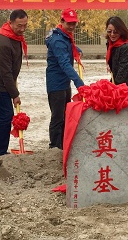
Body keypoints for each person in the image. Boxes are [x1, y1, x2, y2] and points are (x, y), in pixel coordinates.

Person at [0, 9, 28, 157]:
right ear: (10, 23)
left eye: (25, 25)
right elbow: (5, 72)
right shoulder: (4, 42)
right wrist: (14, 94)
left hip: (2, 81)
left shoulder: (14, 37)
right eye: (19, 26)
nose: (22, 29)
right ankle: (0, 152)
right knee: (6, 115)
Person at [45, 8, 84, 149]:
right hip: (56, 84)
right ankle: (55, 146)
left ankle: (63, 145)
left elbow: (68, 48)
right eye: (69, 23)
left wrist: (76, 50)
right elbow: (64, 64)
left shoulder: (64, 36)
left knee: (65, 115)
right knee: (58, 117)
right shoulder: (57, 40)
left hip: (64, 83)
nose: (72, 26)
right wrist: (79, 82)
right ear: (62, 21)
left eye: (74, 23)